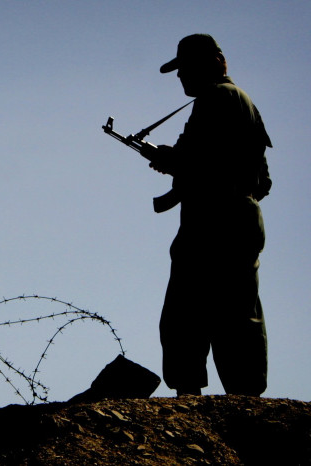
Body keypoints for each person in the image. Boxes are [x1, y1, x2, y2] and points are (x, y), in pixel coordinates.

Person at [143, 34, 272, 396]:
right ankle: (245, 397)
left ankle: (188, 399)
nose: (182, 76)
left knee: (185, 312)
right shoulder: (244, 103)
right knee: (237, 310)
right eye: (180, 70)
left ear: (217, 62)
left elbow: (201, 160)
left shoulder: (215, 99)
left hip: (213, 221)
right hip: (239, 216)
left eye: (188, 68)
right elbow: (262, 180)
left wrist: (174, 162)